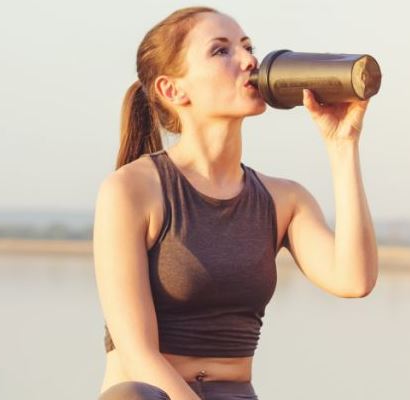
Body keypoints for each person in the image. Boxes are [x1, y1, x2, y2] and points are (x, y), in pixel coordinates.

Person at [93, 6, 378, 400]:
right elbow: (137, 350)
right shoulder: (131, 190)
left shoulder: (283, 199)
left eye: (248, 47)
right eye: (220, 51)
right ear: (172, 90)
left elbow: (354, 279)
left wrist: (342, 144)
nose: (248, 61)